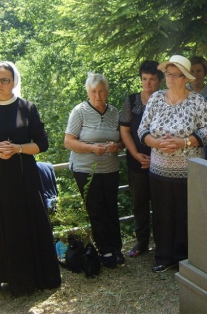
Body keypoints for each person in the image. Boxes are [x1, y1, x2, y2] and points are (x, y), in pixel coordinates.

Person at [0, 61, 61, 298]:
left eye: (4, 79)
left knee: (23, 225)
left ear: (14, 82)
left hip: (23, 177)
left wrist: (17, 148)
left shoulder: (27, 108)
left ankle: (28, 278)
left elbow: (42, 144)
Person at [138, 55, 207, 273]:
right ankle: (163, 256)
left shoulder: (197, 101)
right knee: (162, 214)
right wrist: (156, 143)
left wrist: (184, 142)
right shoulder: (156, 99)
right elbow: (142, 129)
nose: (170, 78)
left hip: (189, 171)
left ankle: (185, 259)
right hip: (159, 169)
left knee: (186, 214)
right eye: (168, 74)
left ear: (185, 78)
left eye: (175, 74)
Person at [64, 73, 125, 269]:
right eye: (93, 92)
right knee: (96, 210)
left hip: (110, 168)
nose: (97, 96)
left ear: (106, 92)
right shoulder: (79, 111)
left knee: (111, 208)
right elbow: (68, 141)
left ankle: (116, 249)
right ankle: (104, 250)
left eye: (100, 91)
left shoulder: (115, 112)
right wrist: (92, 148)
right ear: (88, 93)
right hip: (85, 170)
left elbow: (124, 139)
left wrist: (118, 146)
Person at [119, 60, 163, 258]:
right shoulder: (131, 101)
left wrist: (155, 157)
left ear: (160, 81)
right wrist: (136, 154)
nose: (148, 83)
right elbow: (125, 129)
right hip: (136, 161)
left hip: (162, 161)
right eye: (144, 79)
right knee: (139, 203)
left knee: (162, 203)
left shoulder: (166, 100)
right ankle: (142, 241)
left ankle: (163, 243)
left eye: (152, 79)